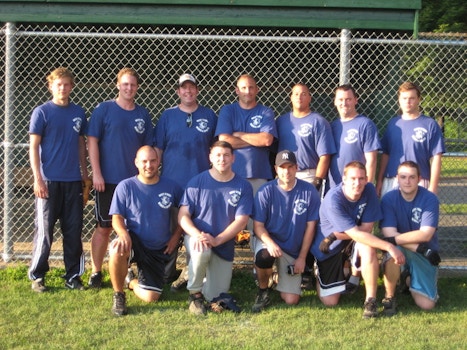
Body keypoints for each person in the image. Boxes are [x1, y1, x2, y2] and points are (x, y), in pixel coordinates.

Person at [310, 161, 405, 319]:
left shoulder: (369, 190)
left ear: (367, 179)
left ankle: (370, 301)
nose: (357, 183)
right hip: (328, 246)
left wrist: (339, 234)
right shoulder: (333, 199)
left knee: (368, 246)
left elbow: (366, 229)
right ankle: (321, 272)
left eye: (361, 178)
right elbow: (356, 233)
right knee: (330, 301)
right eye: (353, 178)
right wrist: (389, 246)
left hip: (349, 238)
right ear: (344, 179)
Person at [87, 68, 154, 288]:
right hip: (107, 180)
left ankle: (126, 270)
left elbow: (147, 148)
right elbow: (92, 141)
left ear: (137, 87)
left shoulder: (142, 114)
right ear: (118, 85)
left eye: (133, 85)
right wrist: (96, 172)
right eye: (125, 84)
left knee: (130, 228)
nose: (129, 88)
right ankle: (96, 271)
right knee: (105, 227)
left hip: (134, 183)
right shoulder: (104, 109)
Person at [154, 73, 217, 291]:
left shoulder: (208, 115)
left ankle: (193, 275)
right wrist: (156, 179)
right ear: (178, 91)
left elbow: (216, 150)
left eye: (192, 87)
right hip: (172, 183)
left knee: (195, 230)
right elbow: (158, 149)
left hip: (200, 185)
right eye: (183, 88)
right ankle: (165, 274)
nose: (188, 91)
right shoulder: (168, 116)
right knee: (170, 230)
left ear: (197, 90)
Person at [28, 67, 88, 292]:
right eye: (58, 84)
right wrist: (38, 179)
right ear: (51, 86)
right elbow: (34, 147)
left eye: (66, 84)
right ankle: (38, 275)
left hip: (72, 181)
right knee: (45, 231)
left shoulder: (78, 112)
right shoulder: (41, 112)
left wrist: (84, 176)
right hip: (49, 181)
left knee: (73, 230)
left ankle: (73, 275)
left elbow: (81, 144)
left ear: (72, 87)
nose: (62, 88)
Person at [178, 141, 253, 315]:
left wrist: (217, 240)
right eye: (218, 155)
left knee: (216, 296)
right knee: (202, 250)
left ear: (233, 158)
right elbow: (182, 215)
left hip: (223, 244)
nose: (222, 159)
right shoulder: (197, 182)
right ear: (210, 157)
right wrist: (198, 235)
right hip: (198, 238)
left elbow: (241, 221)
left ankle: (199, 282)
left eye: (226, 155)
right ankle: (194, 295)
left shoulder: (243, 186)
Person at [108, 146, 183, 316]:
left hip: (157, 249)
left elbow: (185, 214)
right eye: (144, 161)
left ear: (159, 162)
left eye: (153, 161)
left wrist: (175, 237)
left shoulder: (172, 187)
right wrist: (123, 234)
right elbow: (116, 218)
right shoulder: (125, 186)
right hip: (133, 240)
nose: (148, 165)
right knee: (116, 249)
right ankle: (118, 295)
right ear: (136, 162)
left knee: (151, 297)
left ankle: (131, 281)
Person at [251, 150, 320, 312]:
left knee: (291, 300)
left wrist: (302, 257)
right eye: (282, 167)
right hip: (270, 241)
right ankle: (263, 290)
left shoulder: (309, 191)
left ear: (296, 168)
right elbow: (258, 226)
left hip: (292, 248)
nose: (286, 171)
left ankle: (276, 277)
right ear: (276, 169)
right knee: (264, 256)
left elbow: (311, 227)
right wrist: (270, 243)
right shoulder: (265, 191)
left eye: (290, 167)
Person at [380, 161, 441, 315]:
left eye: (412, 177)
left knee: (426, 304)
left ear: (419, 178)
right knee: (393, 251)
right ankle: (390, 297)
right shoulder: (388, 199)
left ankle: (407, 278)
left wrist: (394, 240)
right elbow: (389, 234)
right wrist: (419, 248)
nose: (407, 181)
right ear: (397, 178)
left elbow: (425, 234)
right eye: (403, 177)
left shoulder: (430, 199)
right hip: (416, 249)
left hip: (423, 252)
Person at [376, 82, 445, 197]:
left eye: (412, 98)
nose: (408, 102)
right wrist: (379, 181)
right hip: (393, 180)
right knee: (390, 214)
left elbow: (436, 157)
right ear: (399, 99)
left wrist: (433, 186)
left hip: (419, 180)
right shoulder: (393, 124)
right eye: (404, 98)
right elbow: (385, 155)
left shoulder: (429, 124)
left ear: (418, 99)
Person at [276, 83, 335, 194]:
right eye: (296, 94)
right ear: (291, 98)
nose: (299, 97)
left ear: (309, 98)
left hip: (308, 175)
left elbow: (325, 156)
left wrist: (317, 181)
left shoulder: (319, 122)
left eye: (303, 94)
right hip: (284, 174)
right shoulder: (281, 121)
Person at [328, 84, 380, 188]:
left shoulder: (365, 124)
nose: (344, 103)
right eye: (340, 99)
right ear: (335, 101)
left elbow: (371, 160)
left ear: (355, 100)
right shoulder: (331, 126)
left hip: (356, 187)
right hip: (334, 187)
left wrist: (367, 187)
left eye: (348, 99)